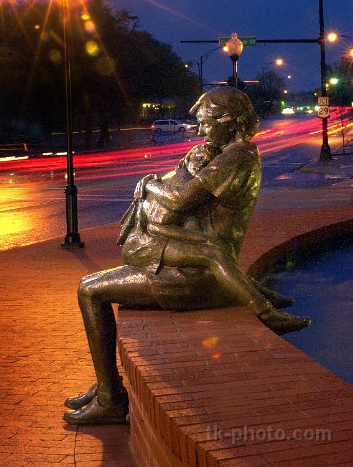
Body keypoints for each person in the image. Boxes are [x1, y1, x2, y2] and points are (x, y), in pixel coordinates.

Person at [63, 87, 311, 426]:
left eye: (206, 123)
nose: (201, 131)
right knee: (109, 274)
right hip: (193, 261)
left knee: (89, 290)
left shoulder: (236, 157)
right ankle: (106, 386)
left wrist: (147, 184)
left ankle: (110, 399)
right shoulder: (233, 153)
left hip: (192, 275)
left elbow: (180, 200)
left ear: (228, 120)